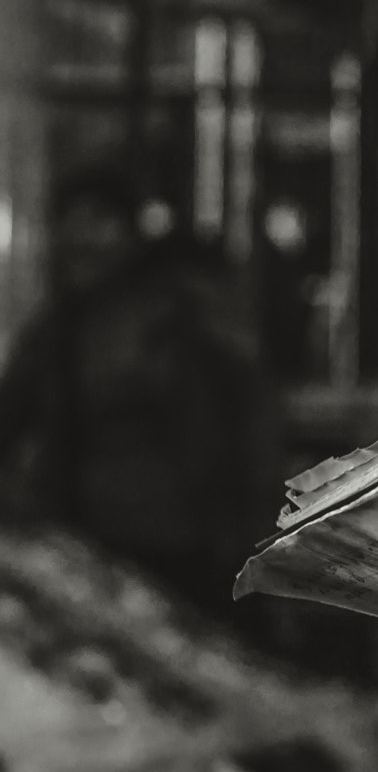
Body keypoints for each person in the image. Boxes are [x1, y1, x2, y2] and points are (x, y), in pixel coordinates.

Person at [0, 169, 279, 614]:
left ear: (129, 235)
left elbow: (226, 425)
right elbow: (13, 411)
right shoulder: (57, 329)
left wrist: (237, 525)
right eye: (71, 222)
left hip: (172, 538)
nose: (82, 237)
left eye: (97, 221)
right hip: (89, 534)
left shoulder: (171, 320)